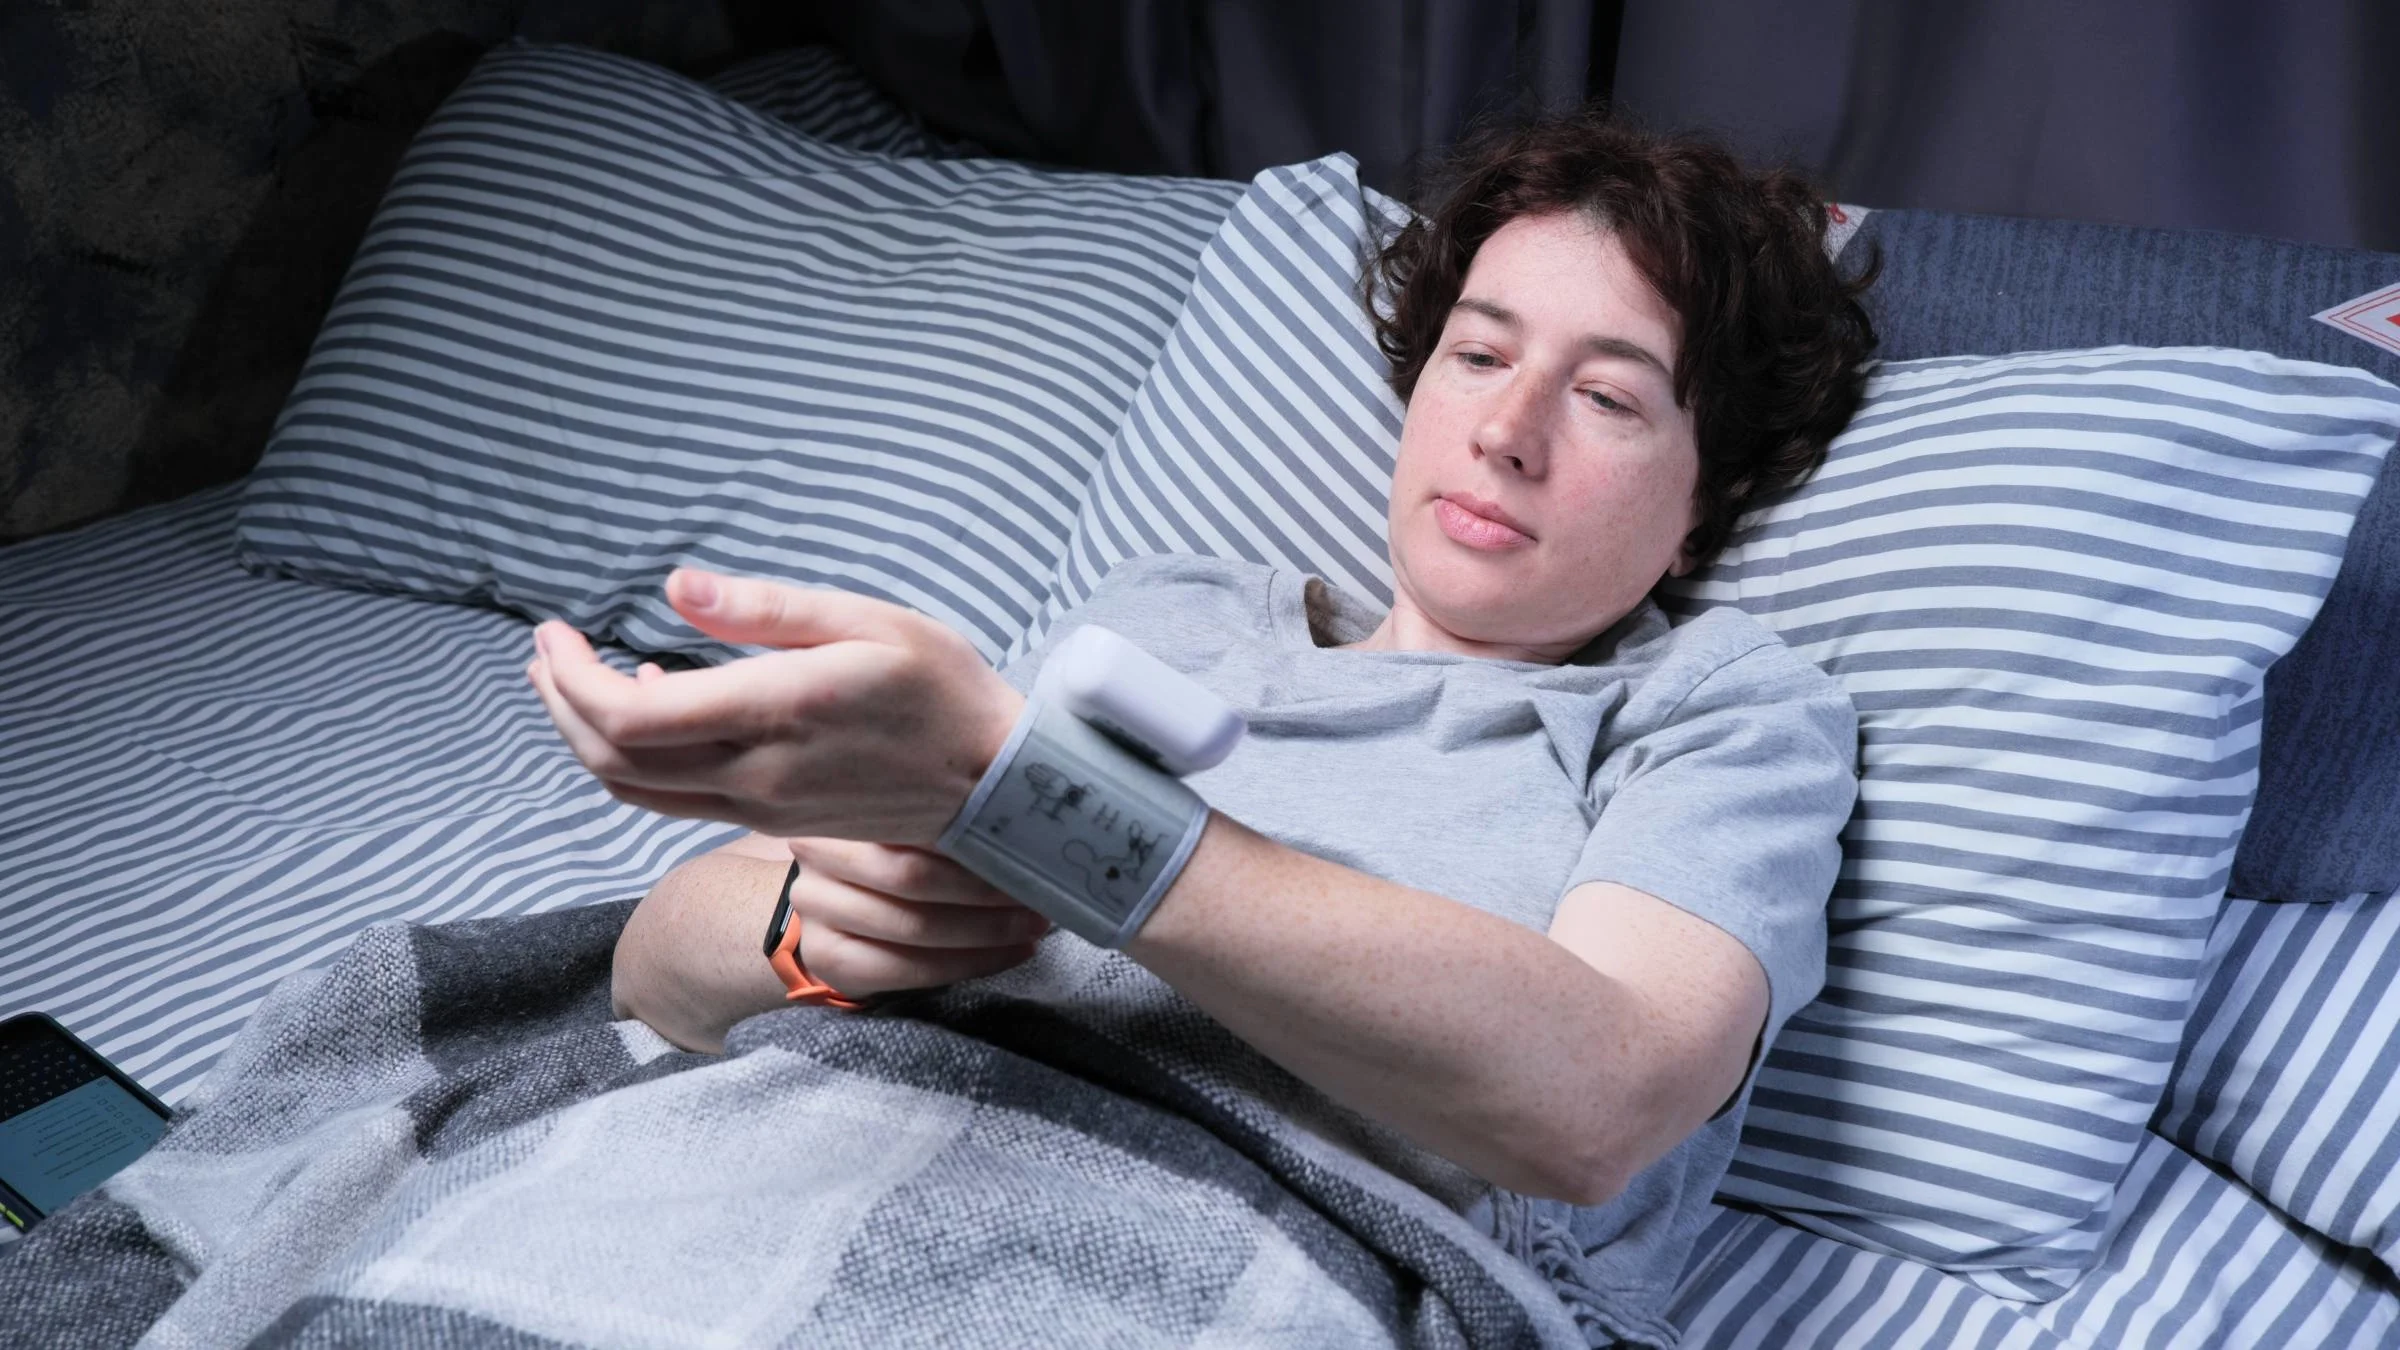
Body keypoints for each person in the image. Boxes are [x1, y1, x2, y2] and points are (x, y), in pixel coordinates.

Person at [527, 111, 1875, 1338]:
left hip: (1224, 1259)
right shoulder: (1172, 612)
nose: (1507, 431)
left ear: (1705, 500)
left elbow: (1602, 1105)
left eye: (1608, 397)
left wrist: (1051, 809)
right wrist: (810, 935)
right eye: (1477, 354)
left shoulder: (1717, 708)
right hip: (806, 1143)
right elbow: (651, 975)